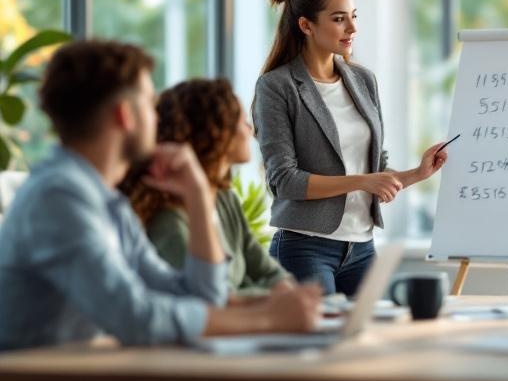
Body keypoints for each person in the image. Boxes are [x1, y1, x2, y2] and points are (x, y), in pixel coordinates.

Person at [0, 40, 320, 351]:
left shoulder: (106, 202)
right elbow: (136, 318)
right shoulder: (58, 199)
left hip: (80, 372)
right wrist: (265, 319)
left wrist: (198, 197)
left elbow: (199, 298)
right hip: (35, 377)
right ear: (125, 114)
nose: (157, 117)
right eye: (150, 104)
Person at [252, 0, 448, 296]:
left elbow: (375, 171)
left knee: (371, 329)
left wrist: (417, 173)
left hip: (362, 249)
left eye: (353, 16)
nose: (352, 28)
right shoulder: (277, 86)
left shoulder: (363, 80)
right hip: (305, 248)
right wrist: (361, 181)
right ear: (306, 25)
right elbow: (284, 181)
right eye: (339, 19)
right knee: (321, 330)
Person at [120, 78, 293, 296]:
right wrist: (275, 299)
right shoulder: (169, 218)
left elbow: (268, 272)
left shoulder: (225, 199)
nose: (250, 129)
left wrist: (287, 294)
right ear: (216, 133)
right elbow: (210, 299)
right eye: (242, 121)